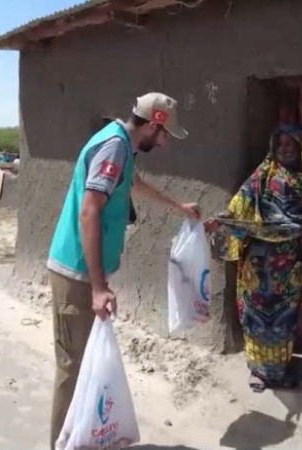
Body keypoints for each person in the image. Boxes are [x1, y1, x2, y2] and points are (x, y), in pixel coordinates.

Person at [47, 92, 200, 447]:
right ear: (152, 124)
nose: (164, 143)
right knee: (73, 371)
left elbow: (132, 184)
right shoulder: (114, 147)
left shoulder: (123, 148)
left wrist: (178, 207)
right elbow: (89, 211)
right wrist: (98, 287)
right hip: (76, 274)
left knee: (85, 366)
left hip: (85, 273)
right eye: (163, 135)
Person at [205, 124, 302, 392]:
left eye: (290, 145)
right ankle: (258, 372)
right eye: (280, 144)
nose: (285, 150)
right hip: (256, 265)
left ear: (301, 149)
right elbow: (238, 212)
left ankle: (280, 371)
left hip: (286, 266)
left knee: (282, 321)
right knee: (255, 317)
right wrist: (221, 224)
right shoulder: (258, 180)